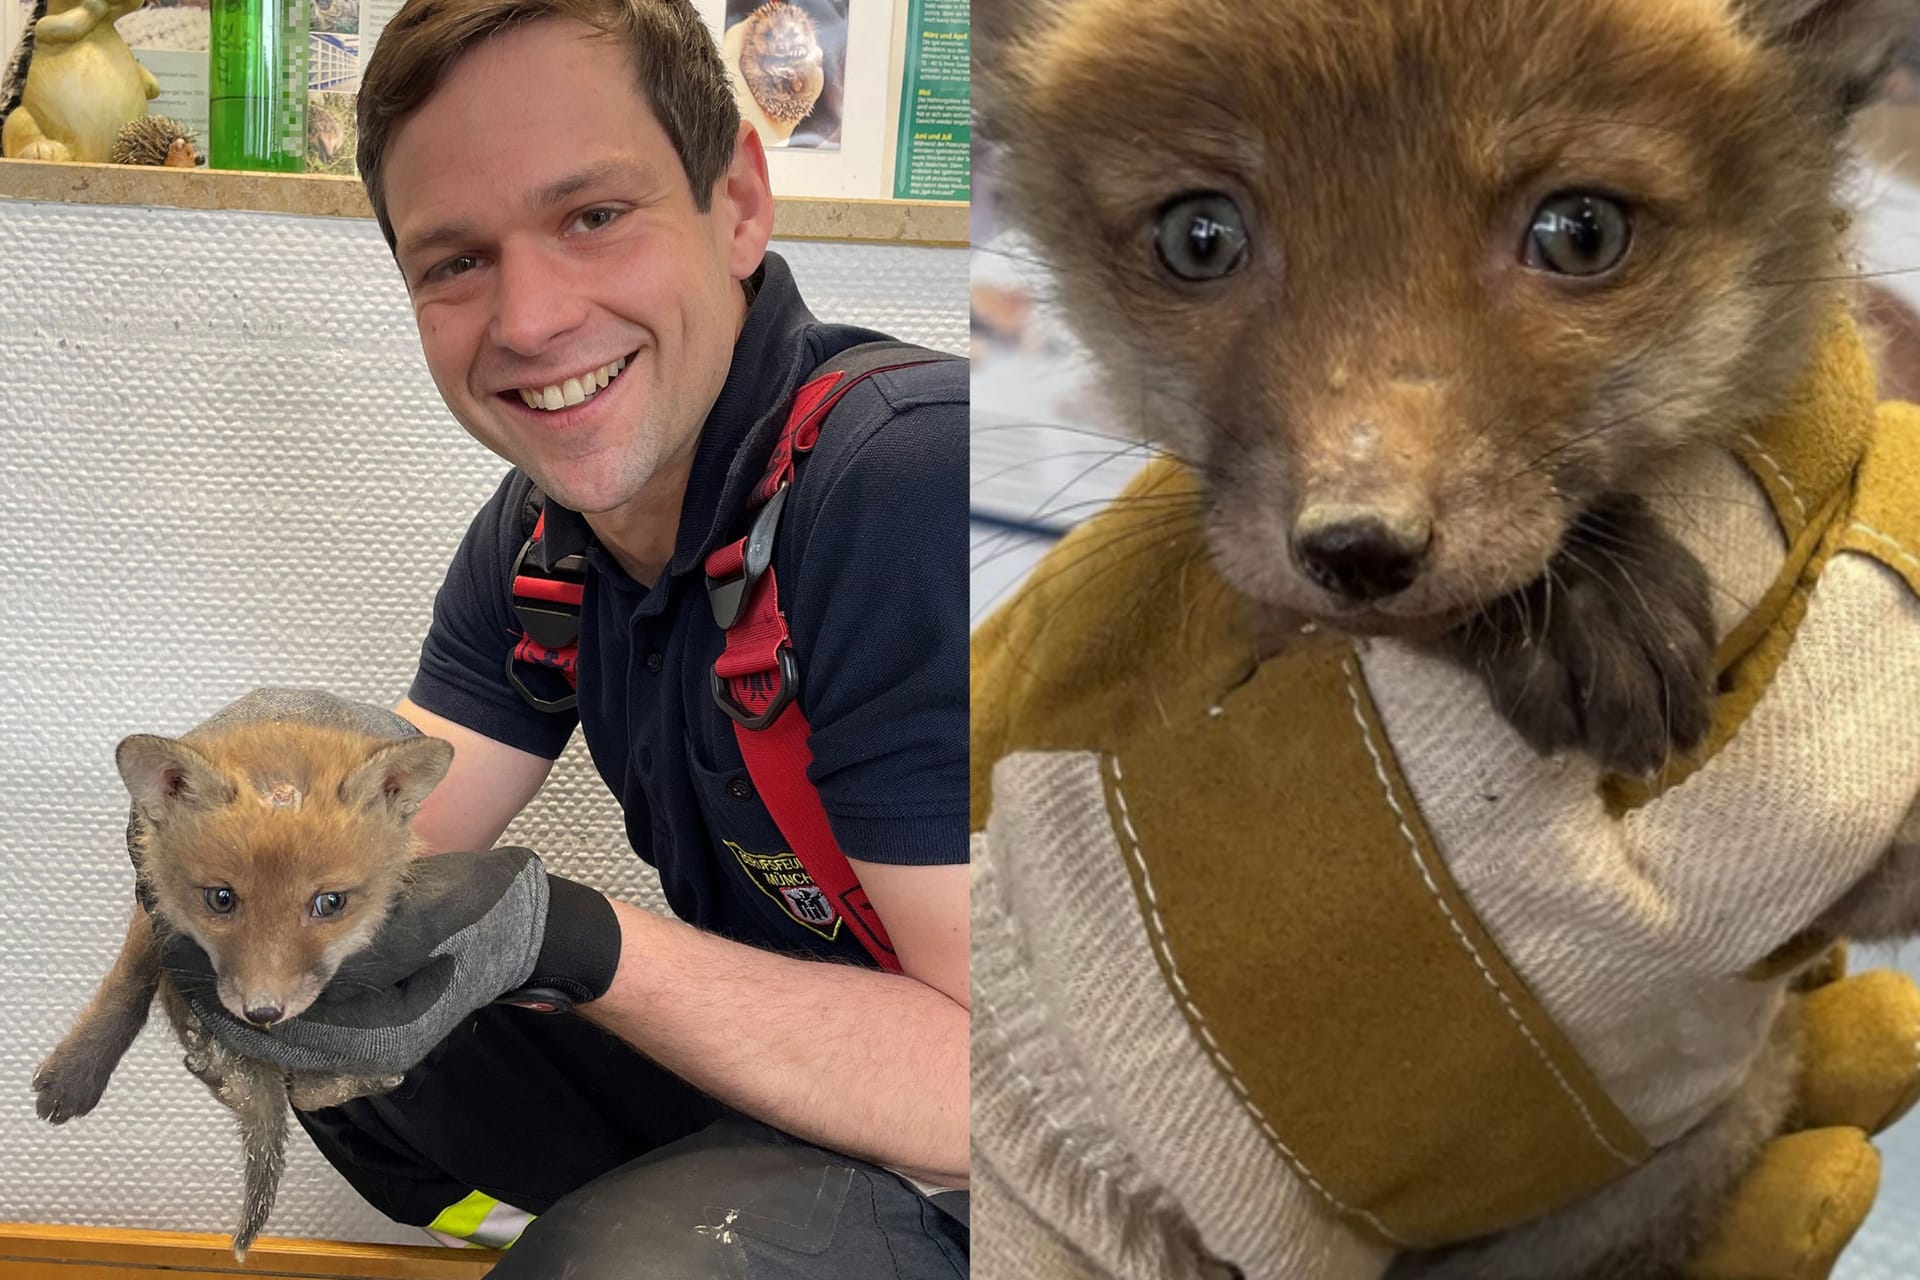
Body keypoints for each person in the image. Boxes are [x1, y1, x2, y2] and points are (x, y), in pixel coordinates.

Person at [164, 0, 968, 1274]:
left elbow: (1022, 1094)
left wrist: (571, 933)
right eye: (455, 260)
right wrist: (217, 842)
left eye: (593, 215)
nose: (530, 319)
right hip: (834, 1096)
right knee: (341, 1002)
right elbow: (391, 839)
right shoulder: (545, 540)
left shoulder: (909, 485)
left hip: (1066, 1167)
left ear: (740, 204)